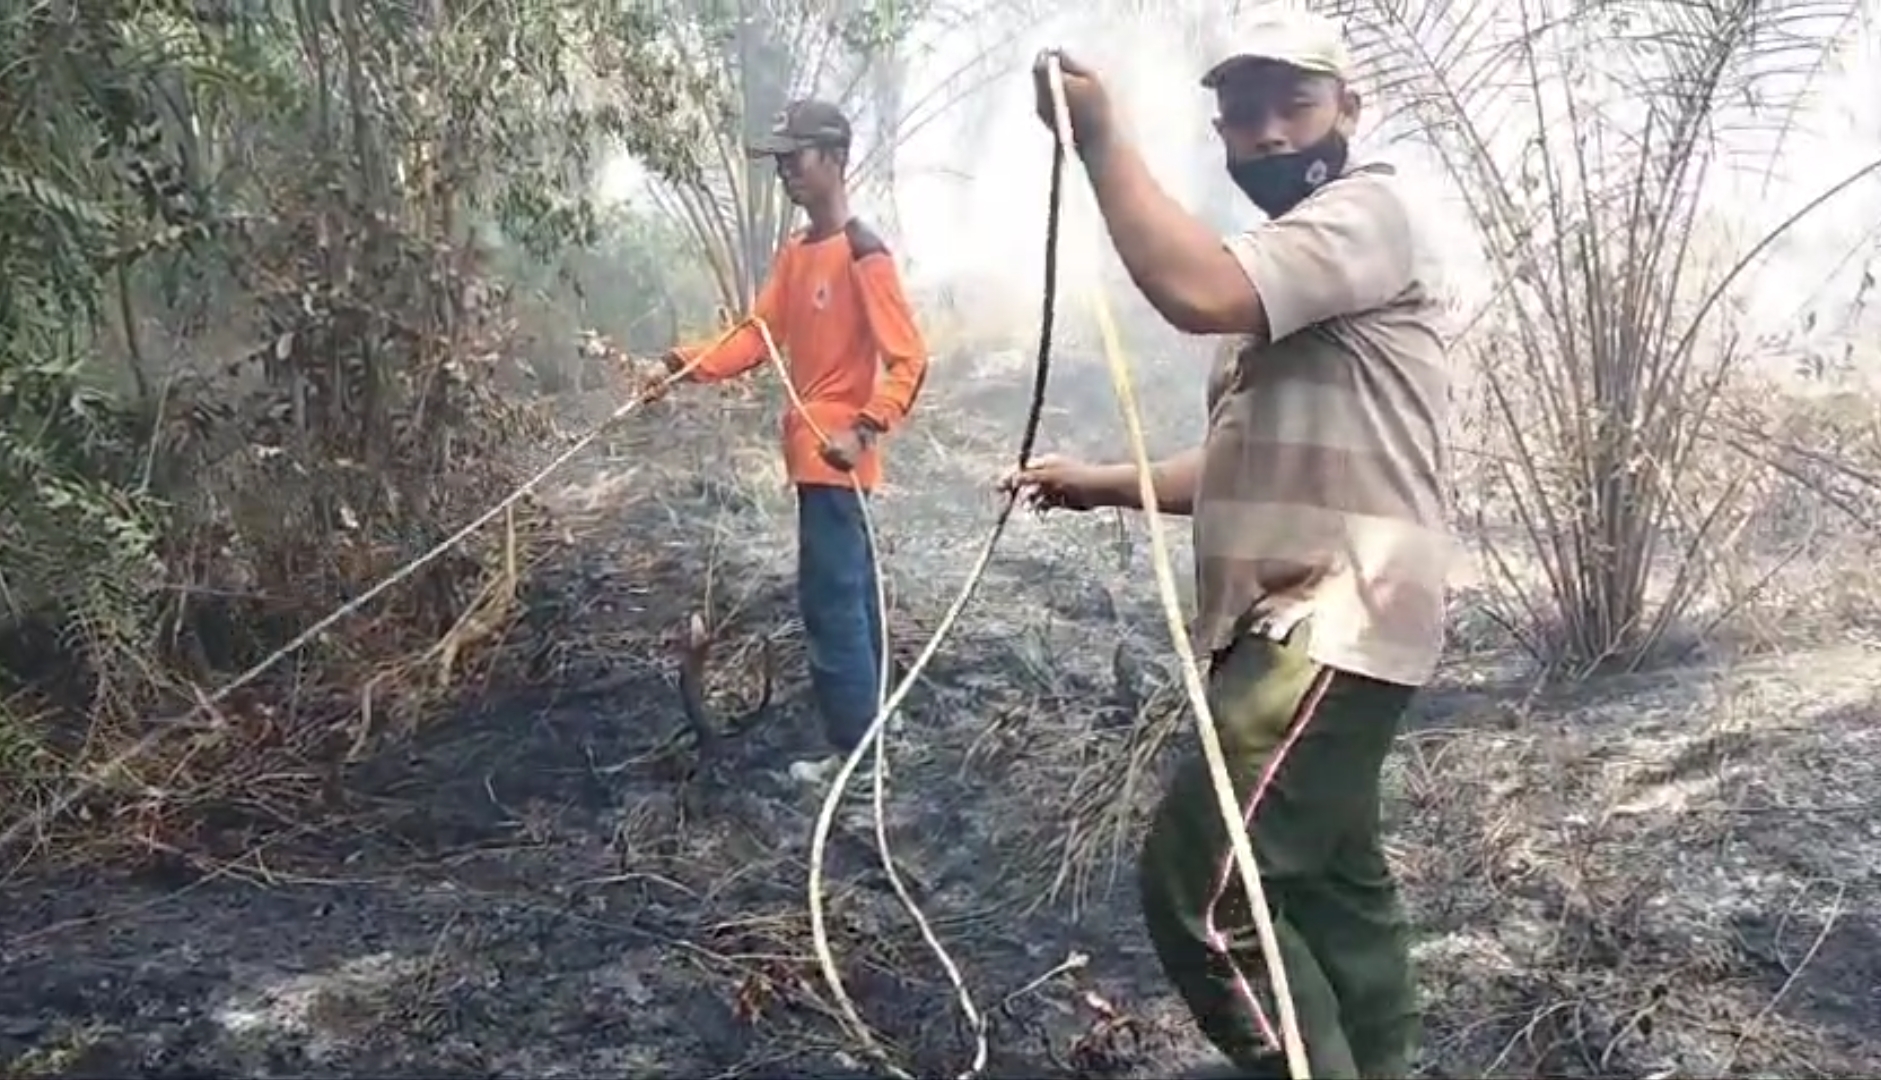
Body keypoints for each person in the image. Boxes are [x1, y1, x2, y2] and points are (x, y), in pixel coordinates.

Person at [1006, 12, 1450, 1080]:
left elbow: (1195, 288)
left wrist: (1102, 140)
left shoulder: (1368, 211)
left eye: (1291, 106)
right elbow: (1235, 467)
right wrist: (1097, 485)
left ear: (1350, 108)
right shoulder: (1297, 290)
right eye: (1240, 116)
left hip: (1331, 618)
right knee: (1336, 887)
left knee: (1205, 899)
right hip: (1321, 619)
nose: (1263, 135)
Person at [651, 99, 929, 786]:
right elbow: (755, 334)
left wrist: (863, 427)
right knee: (852, 593)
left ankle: (858, 758)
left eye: (794, 158)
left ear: (833, 160)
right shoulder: (797, 254)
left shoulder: (865, 254)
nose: (784, 173)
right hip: (811, 454)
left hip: (837, 458)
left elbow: (908, 359)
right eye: (778, 161)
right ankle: (873, 723)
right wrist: (678, 364)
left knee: (831, 602)